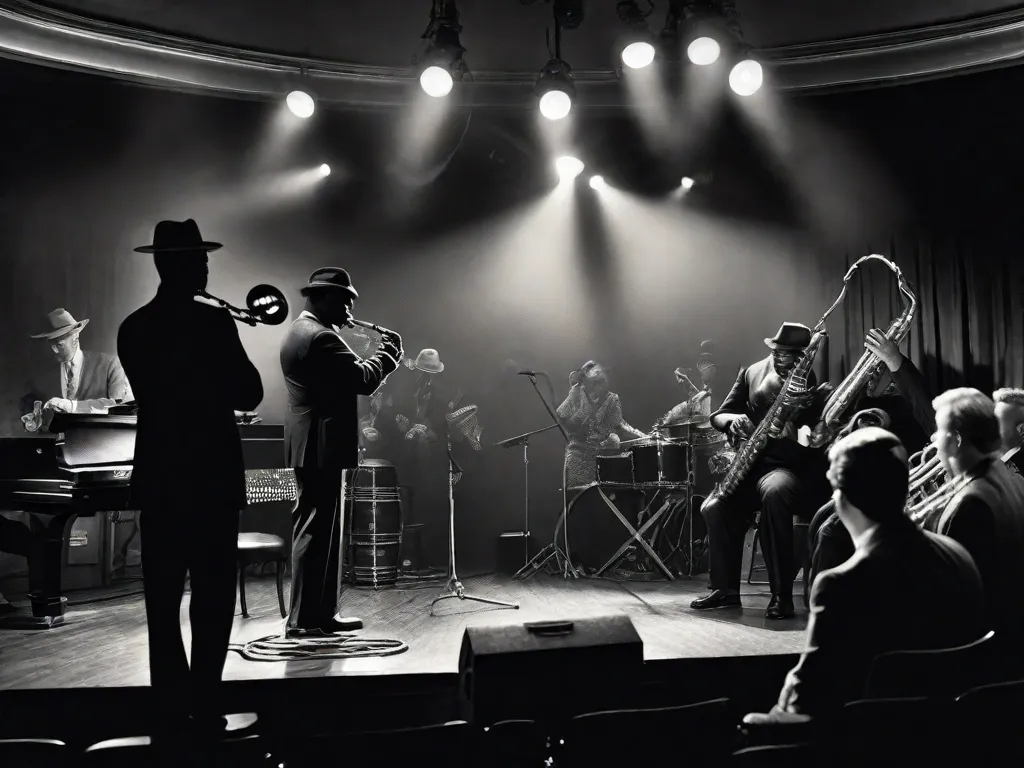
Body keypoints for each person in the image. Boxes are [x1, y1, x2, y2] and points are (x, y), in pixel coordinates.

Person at [117, 219, 264, 738]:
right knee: (214, 594)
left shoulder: (132, 327)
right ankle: (206, 703)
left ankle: (170, 708)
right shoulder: (214, 324)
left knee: (161, 597)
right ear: (177, 264)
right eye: (199, 260)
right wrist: (229, 334)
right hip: (211, 478)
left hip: (159, 477)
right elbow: (250, 394)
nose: (206, 267)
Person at [768, 427, 984, 718]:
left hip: (864, 739)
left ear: (841, 497)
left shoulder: (839, 584)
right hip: (948, 731)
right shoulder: (960, 558)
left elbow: (807, 699)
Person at [280, 267, 402, 635]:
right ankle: (304, 620)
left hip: (312, 446)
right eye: (346, 299)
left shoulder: (305, 332)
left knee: (321, 533)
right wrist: (390, 354)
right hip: (320, 448)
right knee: (316, 533)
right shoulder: (319, 337)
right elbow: (363, 380)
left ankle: (320, 615)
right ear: (324, 298)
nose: (351, 308)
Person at [691, 322, 832, 619]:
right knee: (714, 508)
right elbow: (718, 416)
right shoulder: (751, 372)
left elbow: (813, 434)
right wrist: (732, 421)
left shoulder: (808, 381)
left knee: (776, 492)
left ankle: (781, 596)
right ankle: (725, 590)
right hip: (750, 462)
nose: (785, 360)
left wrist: (808, 427)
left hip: (785, 467)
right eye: (779, 352)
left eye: (793, 356)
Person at [807, 329, 935, 589]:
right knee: (821, 522)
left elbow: (929, 416)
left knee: (829, 531)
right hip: (854, 485)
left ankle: (826, 604)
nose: (873, 373)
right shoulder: (858, 400)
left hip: (893, 490)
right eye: (869, 368)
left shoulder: (904, 401)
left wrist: (894, 360)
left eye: (878, 368)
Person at [928, 388, 1024, 644]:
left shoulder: (970, 501)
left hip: (978, 646)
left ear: (956, 439)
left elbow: (953, 588)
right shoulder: (1006, 479)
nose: (933, 439)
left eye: (939, 431)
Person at [21, 308, 132, 432]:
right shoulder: (42, 374)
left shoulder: (110, 365)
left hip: (99, 445)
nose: (54, 350)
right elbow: (32, 411)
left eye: (59, 344)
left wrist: (73, 406)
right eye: (51, 344)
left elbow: (120, 408)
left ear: (75, 336)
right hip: (58, 448)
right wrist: (34, 421)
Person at [556, 361, 646, 491]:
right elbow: (561, 415)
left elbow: (620, 425)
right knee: (576, 500)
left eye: (602, 372)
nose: (601, 375)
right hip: (577, 457)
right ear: (586, 375)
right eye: (597, 372)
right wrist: (577, 423)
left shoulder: (612, 399)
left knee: (599, 500)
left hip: (600, 459)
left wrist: (643, 437)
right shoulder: (577, 393)